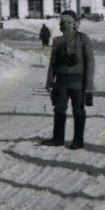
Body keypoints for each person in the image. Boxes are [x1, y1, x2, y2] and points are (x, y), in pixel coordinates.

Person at [43, 10, 94, 150]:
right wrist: (49, 82)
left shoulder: (83, 38)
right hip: (61, 82)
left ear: (73, 23)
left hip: (78, 82)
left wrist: (89, 85)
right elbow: (53, 63)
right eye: (61, 21)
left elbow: (90, 63)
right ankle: (58, 138)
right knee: (59, 109)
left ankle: (78, 141)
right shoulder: (57, 41)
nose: (62, 24)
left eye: (65, 21)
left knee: (78, 110)